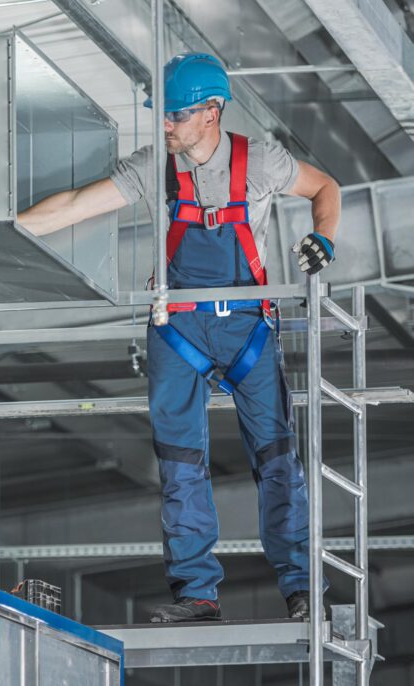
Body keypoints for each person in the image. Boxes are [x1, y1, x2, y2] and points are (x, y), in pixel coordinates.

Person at [17, 53, 341, 623]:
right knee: (180, 462)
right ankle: (196, 593)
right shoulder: (153, 168)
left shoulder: (259, 160)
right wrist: (5, 226)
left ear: (212, 112)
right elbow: (73, 206)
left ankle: (302, 588)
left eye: (176, 115)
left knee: (277, 458)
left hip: (247, 328)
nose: (165, 124)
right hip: (177, 328)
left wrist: (325, 239)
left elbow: (325, 188)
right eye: (162, 115)